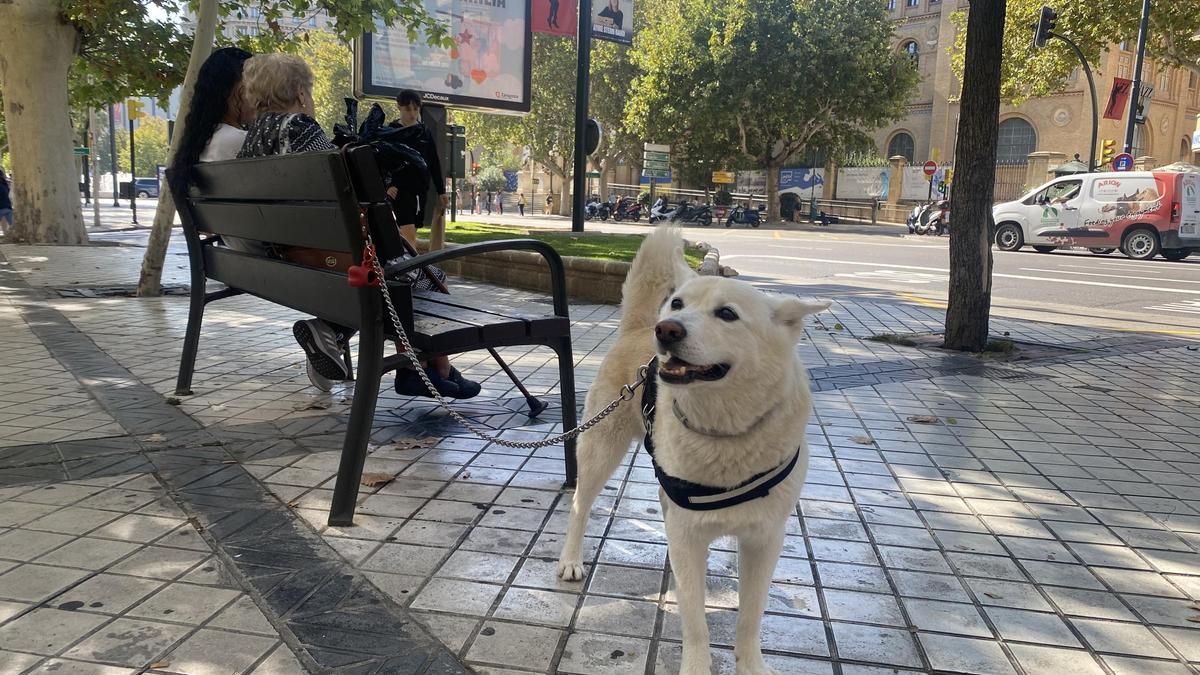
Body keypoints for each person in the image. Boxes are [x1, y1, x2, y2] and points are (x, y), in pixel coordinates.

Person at [236, 55, 478, 399]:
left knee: (400, 277)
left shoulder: (252, 139)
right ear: (301, 93)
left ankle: (338, 333)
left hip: (284, 257)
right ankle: (425, 369)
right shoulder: (299, 128)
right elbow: (346, 188)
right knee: (425, 275)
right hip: (325, 257)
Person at [169, 47, 257, 252]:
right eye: (256, 87)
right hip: (268, 261)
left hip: (234, 260)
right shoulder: (237, 141)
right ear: (239, 90)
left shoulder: (199, 145)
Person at [387, 89, 449, 248]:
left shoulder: (424, 132)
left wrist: (441, 191)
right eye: (408, 109)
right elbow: (382, 161)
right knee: (409, 233)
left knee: (409, 230)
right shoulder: (391, 131)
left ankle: (404, 265)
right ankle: (413, 269)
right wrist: (388, 184)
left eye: (416, 109)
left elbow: (433, 162)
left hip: (420, 190)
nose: (412, 113)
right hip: (400, 190)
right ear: (399, 107)